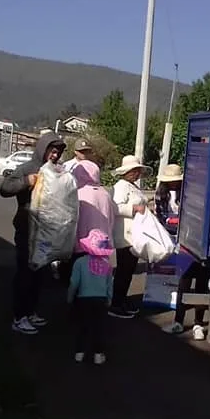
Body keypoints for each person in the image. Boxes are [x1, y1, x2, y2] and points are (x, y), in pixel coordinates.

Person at [0, 131, 67, 335]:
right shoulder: (27, 168)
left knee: (39, 273)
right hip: (26, 228)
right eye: (52, 151)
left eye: (58, 152)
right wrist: (26, 181)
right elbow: (4, 188)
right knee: (25, 274)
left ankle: (31, 312)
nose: (54, 155)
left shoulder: (55, 170)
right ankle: (19, 317)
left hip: (44, 232)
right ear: (43, 149)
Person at [67, 229, 115, 365]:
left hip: (83, 299)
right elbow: (109, 284)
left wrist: (70, 297)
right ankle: (98, 355)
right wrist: (109, 298)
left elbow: (74, 283)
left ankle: (79, 353)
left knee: (84, 326)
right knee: (99, 328)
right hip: (101, 300)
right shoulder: (107, 264)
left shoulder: (80, 263)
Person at [110, 155, 150, 319]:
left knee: (128, 270)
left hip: (133, 234)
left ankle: (121, 300)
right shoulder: (120, 186)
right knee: (123, 271)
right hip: (125, 236)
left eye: (138, 171)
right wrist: (135, 208)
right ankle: (116, 304)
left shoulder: (132, 186)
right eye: (134, 171)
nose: (137, 174)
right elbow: (116, 208)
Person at [65, 160, 116, 277]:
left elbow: (72, 220)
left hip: (82, 245)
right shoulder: (105, 194)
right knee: (99, 276)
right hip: (101, 245)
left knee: (80, 279)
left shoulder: (77, 194)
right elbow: (111, 219)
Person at [154, 163, 183, 235]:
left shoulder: (184, 192)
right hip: (166, 226)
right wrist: (168, 220)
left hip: (182, 226)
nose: (173, 183)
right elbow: (159, 212)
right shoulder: (160, 193)